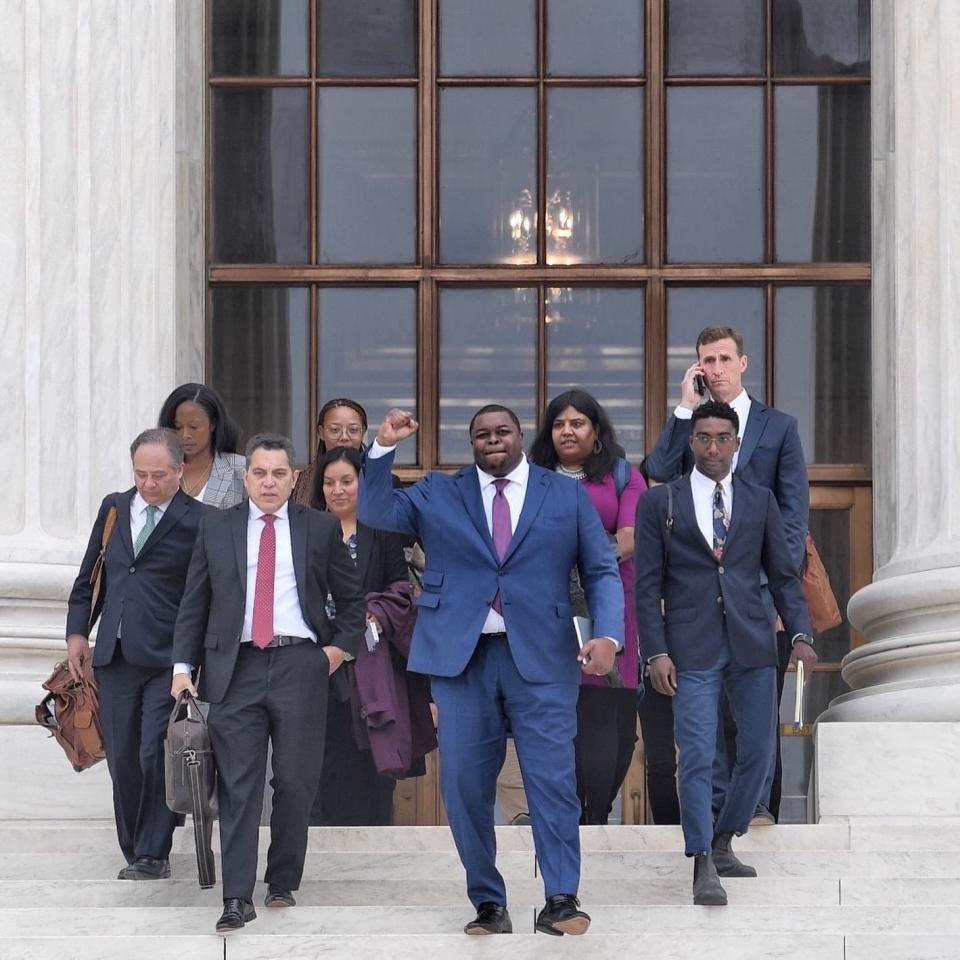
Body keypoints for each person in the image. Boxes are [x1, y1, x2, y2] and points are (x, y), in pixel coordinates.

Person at [358, 406, 623, 937]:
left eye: (502, 432)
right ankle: (487, 901)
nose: (493, 441)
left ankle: (561, 898)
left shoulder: (564, 494)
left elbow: (600, 569)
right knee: (463, 785)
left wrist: (609, 636)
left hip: (544, 658)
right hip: (462, 659)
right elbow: (375, 508)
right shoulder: (439, 493)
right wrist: (383, 446)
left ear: (521, 436)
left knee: (552, 781)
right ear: (471, 442)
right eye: (482, 434)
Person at [171, 433, 365, 933]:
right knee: (238, 786)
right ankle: (237, 896)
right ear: (246, 477)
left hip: (301, 663)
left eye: (279, 473)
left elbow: (352, 599)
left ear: (294, 478)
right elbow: (195, 602)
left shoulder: (320, 528)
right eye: (260, 472)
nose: (269, 481)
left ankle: (281, 878)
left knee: (296, 781)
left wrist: (337, 650)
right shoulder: (217, 527)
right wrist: (181, 669)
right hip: (235, 669)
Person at [634, 401, 816, 905]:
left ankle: (723, 838)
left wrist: (801, 634)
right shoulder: (659, 504)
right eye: (704, 438)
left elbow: (783, 575)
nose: (713, 447)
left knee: (758, 754)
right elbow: (646, 589)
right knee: (696, 754)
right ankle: (701, 860)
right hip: (689, 648)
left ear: (737, 444)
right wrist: (655, 653)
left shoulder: (759, 500)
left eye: (722, 438)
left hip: (754, 642)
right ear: (691, 443)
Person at [644, 326, 812, 823]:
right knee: (705, 717)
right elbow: (657, 468)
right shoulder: (692, 429)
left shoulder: (777, 427)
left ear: (743, 363)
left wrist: (780, 597)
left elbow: (793, 514)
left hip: (756, 593)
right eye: (705, 361)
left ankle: (758, 805)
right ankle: (715, 812)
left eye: (722, 359)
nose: (714, 369)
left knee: (757, 715)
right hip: (697, 599)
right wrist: (682, 411)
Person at [65, 428, 208, 880]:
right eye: (141, 474)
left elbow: (202, 595)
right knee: (123, 757)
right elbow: (90, 575)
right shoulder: (114, 507)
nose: (148, 484)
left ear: (179, 471)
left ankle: (153, 851)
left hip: (167, 657)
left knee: (154, 754)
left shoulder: (200, 519)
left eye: (159, 476)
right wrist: (77, 633)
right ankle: (133, 849)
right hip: (115, 655)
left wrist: (193, 659)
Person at [527, 389, 646, 824]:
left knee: (621, 732)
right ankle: (585, 816)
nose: (567, 431)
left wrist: (585, 555)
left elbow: (631, 538)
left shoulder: (620, 475)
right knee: (585, 717)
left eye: (577, 423)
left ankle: (598, 807)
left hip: (616, 603)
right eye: (559, 424)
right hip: (552, 609)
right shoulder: (533, 477)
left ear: (596, 431)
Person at [310, 446, 433, 826]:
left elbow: (401, 589)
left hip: (371, 663)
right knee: (319, 759)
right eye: (329, 482)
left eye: (347, 481)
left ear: (363, 484)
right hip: (318, 663)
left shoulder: (380, 534)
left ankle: (375, 837)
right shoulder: (308, 528)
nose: (338, 490)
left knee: (372, 756)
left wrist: (372, 610)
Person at [634, 457, 681, 825]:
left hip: (701, 653)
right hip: (651, 659)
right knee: (661, 755)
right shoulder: (643, 535)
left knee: (710, 749)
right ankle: (668, 827)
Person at [157, 383, 246, 509]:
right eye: (177, 427)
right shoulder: (161, 468)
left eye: (194, 427)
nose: (185, 435)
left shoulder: (240, 468)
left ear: (213, 424)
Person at [292, 398, 369, 507]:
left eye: (353, 430)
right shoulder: (300, 482)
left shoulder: (378, 478)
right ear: (321, 432)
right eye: (335, 430)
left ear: (363, 432)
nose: (344, 437)